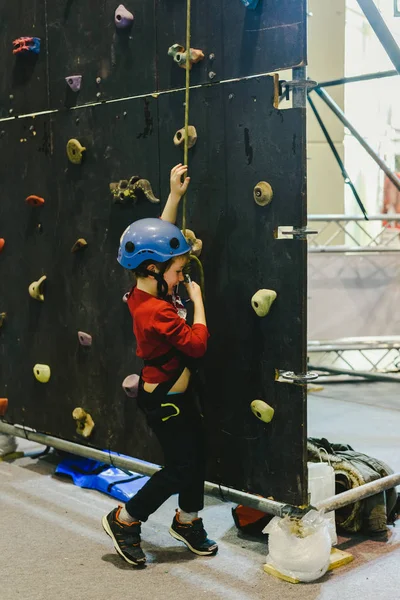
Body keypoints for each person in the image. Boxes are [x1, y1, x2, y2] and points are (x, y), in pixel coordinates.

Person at [102, 164, 218, 566]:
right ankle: (125, 518)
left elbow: (160, 242)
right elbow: (198, 344)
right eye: (179, 272)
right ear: (154, 271)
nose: (183, 276)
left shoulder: (145, 288)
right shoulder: (157, 312)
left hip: (176, 399)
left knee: (196, 456)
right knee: (177, 469)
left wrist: (174, 197)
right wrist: (198, 300)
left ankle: (187, 521)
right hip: (164, 401)